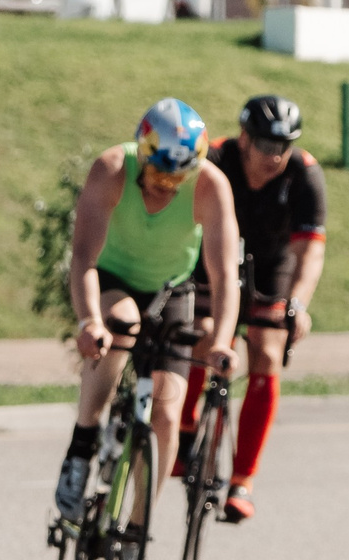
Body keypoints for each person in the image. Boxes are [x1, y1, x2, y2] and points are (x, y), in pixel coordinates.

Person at [53, 100, 242, 533]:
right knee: (122, 326)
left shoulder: (211, 186)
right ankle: (82, 445)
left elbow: (224, 274)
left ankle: (137, 529)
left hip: (170, 288)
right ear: (143, 151)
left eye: (179, 178)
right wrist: (89, 323)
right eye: (158, 174)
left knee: (168, 408)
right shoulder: (113, 168)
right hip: (113, 276)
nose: (167, 187)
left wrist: (220, 343)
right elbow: (82, 257)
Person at [177, 95, 328, 524]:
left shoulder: (304, 174)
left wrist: (298, 303)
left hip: (271, 264)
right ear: (244, 138)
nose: (275, 156)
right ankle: (187, 429)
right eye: (265, 145)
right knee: (205, 330)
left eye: (284, 146)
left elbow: (309, 252)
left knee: (266, 346)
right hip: (211, 256)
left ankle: (242, 480)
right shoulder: (217, 159)